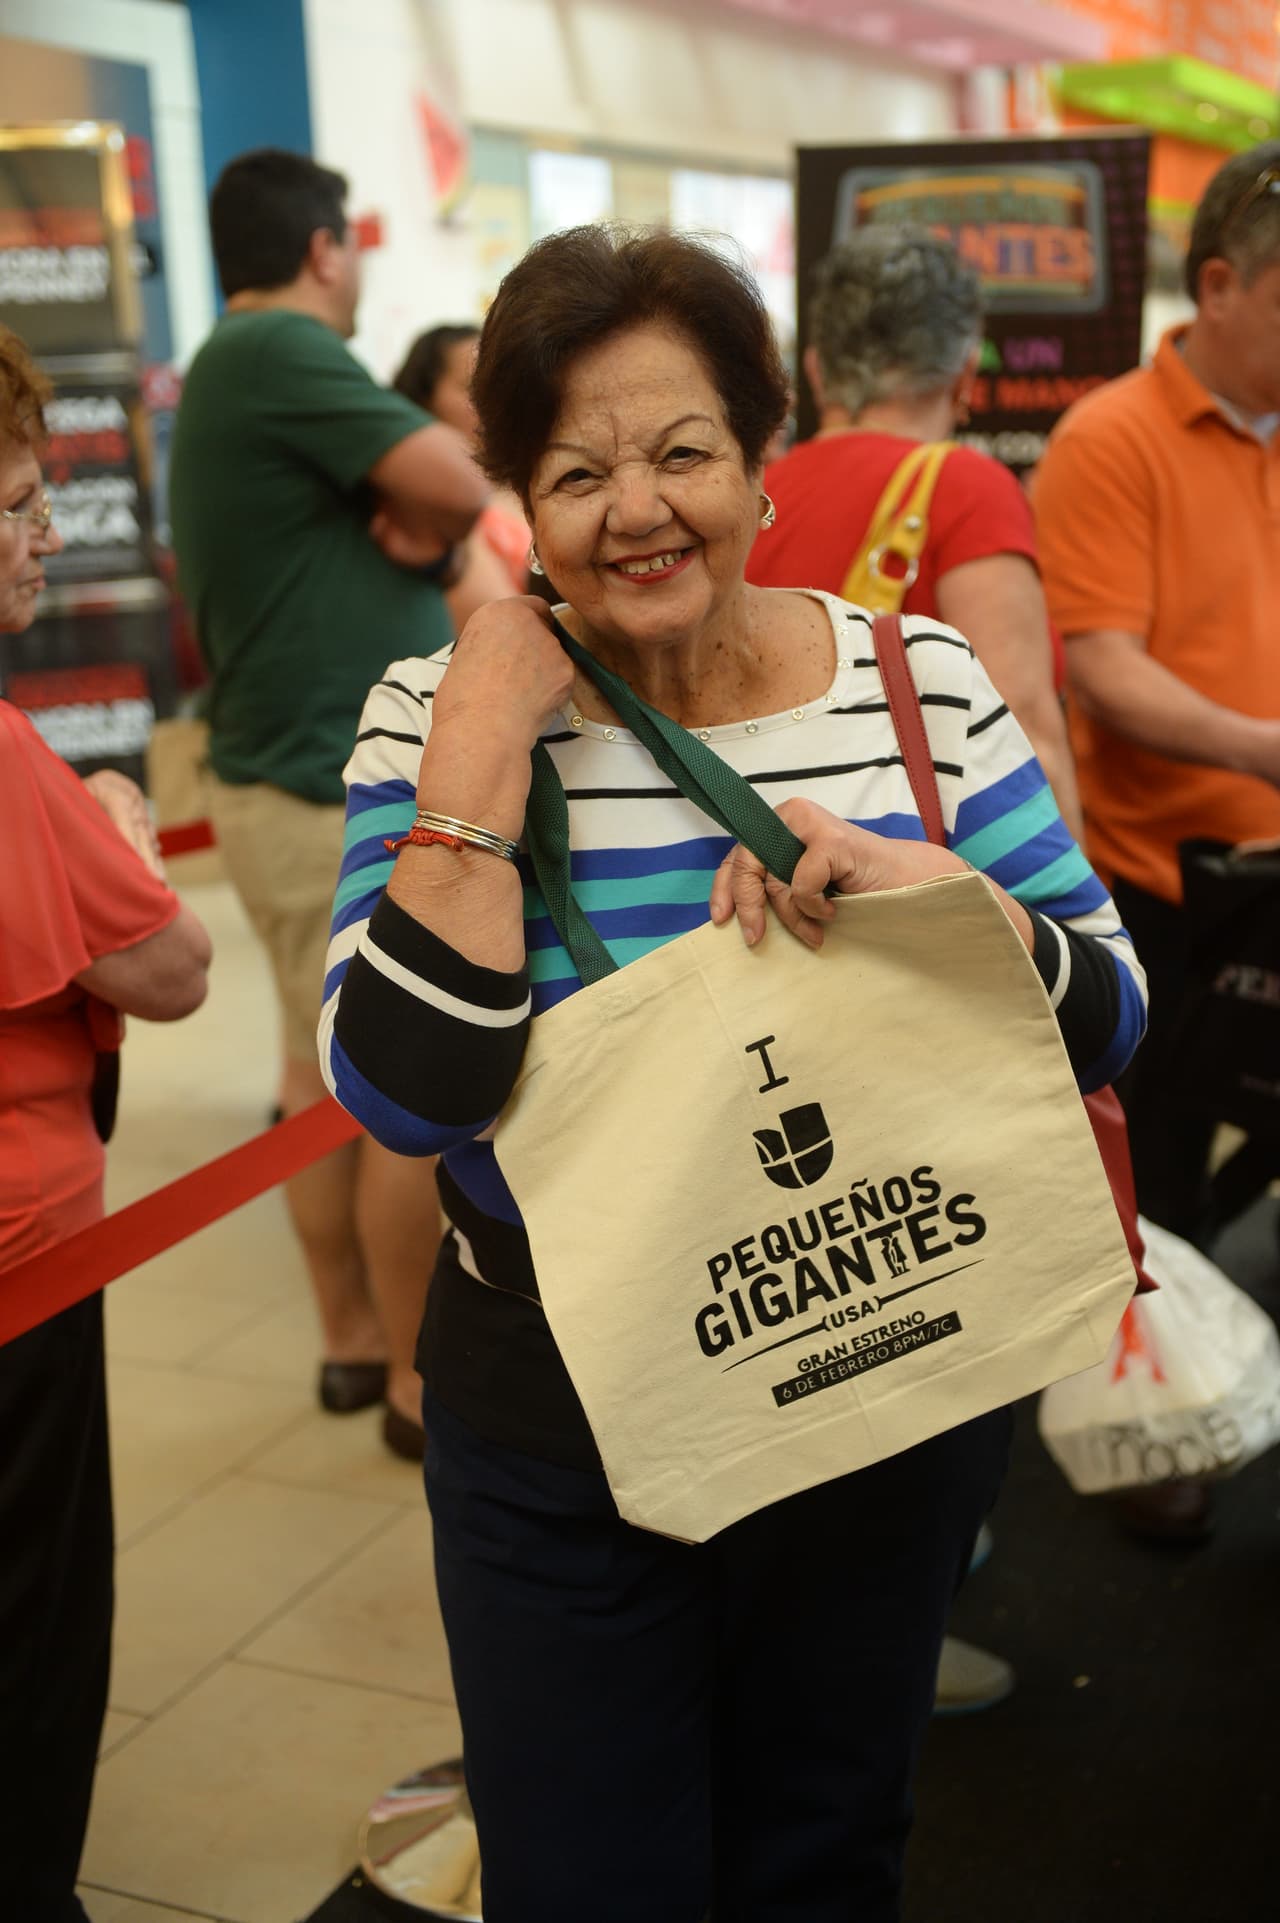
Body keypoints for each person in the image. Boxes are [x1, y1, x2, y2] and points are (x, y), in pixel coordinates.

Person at [320, 226, 1147, 1923]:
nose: (639, 508)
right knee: (588, 1872)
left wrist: (944, 900)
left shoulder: (914, 692)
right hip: (559, 1414)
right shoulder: (434, 707)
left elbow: (1112, 1012)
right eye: (577, 470)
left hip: (880, 1359)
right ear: (520, 506)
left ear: (760, 461)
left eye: (683, 451)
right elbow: (409, 1093)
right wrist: (479, 762)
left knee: (825, 1842)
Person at [169, 149, 489, 1457]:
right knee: (392, 1087)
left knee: (320, 1084)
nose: (359, 269)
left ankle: (357, 1343)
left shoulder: (232, 368)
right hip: (314, 784)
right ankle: (409, 1371)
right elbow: (461, 484)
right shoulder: (278, 355)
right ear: (321, 251)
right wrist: (439, 524)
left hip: (285, 775)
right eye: (353, 244)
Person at [1034, 143, 1280, 1539]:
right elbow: (1104, 668)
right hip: (1169, 880)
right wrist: (1260, 746)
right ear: (1219, 285)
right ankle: (1153, 1428)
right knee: (1164, 1172)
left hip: (1275, 863)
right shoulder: (1112, 435)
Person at [0, 323, 212, 1921]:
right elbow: (168, 968)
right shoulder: (13, 759)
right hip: (19, 1270)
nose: (42, 536)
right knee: (33, 1621)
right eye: (12, 504)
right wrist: (121, 824)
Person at [747, 224, 1083, 840]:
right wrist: (1076, 927)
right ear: (963, 378)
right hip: (922, 883)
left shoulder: (746, 498)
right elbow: (1026, 741)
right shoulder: (966, 489)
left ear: (817, 371)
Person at [393, 322, 530, 626]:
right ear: (424, 400)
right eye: (473, 387)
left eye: (500, 385)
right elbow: (502, 621)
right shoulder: (434, 507)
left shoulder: (527, 484)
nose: (495, 402)